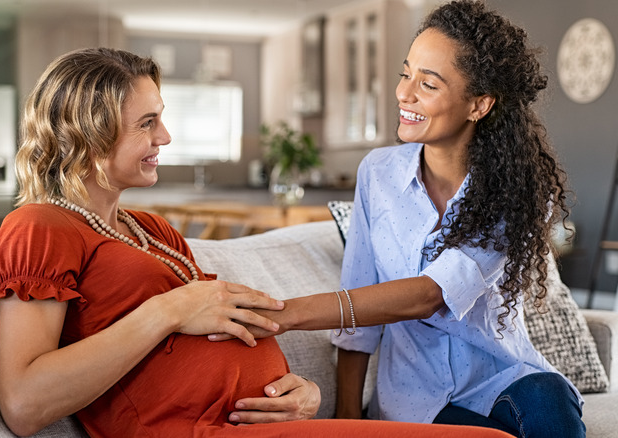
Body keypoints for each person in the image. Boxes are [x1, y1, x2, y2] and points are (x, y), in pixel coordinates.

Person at [0, 47, 511, 438]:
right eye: (148, 123)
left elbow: (222, 334)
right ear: (89, 133)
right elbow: (25, 403)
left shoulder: (151, 230)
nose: (165, 137)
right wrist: (167, 310)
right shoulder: (40, 226)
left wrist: (306, 394)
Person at [232, 1, 585, 437]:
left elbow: (430, 295)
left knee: (550, 405)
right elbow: (358, 304)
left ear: (479, 104)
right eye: (406, 74)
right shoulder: (377, 174)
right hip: (416, 400)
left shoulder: (520, 193)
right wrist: (347, 419)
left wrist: (288, 312)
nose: (404, 93)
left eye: (429, 84)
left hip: (504, 380)